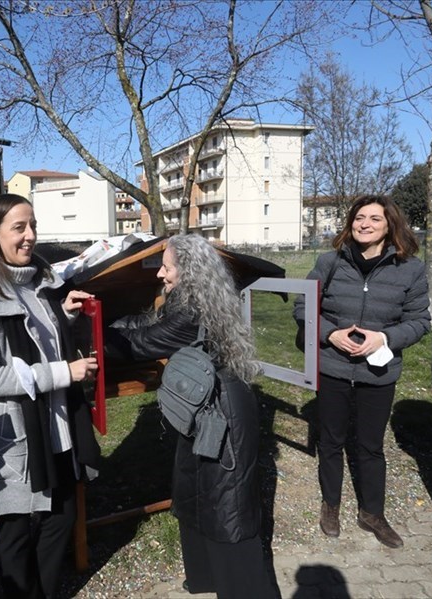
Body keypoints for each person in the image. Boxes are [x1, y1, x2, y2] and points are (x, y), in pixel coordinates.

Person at [104, 234, 275, 599]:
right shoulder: (187, 300)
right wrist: (103, 323)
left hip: (224, 414)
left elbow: (142, 343)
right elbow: (145, 323)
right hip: (203, 407)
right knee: (194, 491)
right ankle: (206, 577)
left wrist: (85, 333)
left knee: (228, 506)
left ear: (190, 272)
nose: (160, 274)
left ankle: (247, 590)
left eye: (167, 267)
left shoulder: (195, 311)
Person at [0, 194, 101, 599]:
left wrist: (63, 315)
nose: (30, 236)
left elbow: (39, 339)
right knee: (16, 525)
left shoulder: (42, 283)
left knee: (62, 513)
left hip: (54, 423)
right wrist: (64, 373)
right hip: (16, 433)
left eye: (32, 225)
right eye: (19, 228)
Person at [293, 195, 431, 548]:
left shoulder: (411, 268)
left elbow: (419, 321)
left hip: (378, 371)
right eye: (359, 218)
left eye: (374, 219)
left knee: (370, 446)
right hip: (333, 368)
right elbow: (302, 305)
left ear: (390, 226)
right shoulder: (330, 262)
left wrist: (384, 337)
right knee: (331, 441)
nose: (364, 224)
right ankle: (331, 505)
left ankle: (372, 513)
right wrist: (330, 334)